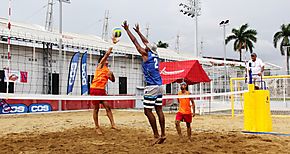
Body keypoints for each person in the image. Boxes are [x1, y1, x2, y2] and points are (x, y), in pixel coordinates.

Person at [122, 21, 166, 145]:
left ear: (147, 48)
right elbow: (146, 42)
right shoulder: (156, 54)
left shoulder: (145, 54)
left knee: (147, 111)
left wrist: (127, 30)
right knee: (159, 110)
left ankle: (156, 135)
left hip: (151, 86)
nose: (145, 45)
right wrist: (139, 31)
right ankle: (163, 134)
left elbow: (135, 42)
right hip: (160, 85)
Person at [90, 39, 118, 135]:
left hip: (102, 90)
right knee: (96, 109)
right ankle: (97, 127)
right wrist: (109, 51)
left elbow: (113, 80)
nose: (107, 61)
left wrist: (112, 74)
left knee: (108, 107)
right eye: (105, 60)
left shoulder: (107, 70)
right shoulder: (100, 66)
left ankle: (113, 124)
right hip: (95, 89)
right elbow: (105, 56)